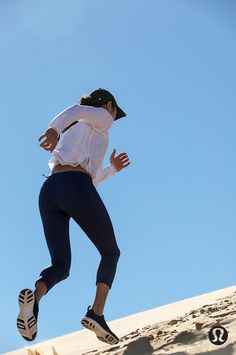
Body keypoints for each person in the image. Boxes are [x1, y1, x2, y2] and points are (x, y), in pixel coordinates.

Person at [16, 88, 130, 345]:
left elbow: (87, 178)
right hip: (75, 186)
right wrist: (54, 128)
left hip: (50, 190)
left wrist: (112, 168)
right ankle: (96, 314)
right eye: (114, 111)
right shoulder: (102, 116)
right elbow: (76, 110)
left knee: (61, 266)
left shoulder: (75, 131)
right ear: (109, 105)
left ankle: (34, 299)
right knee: (110, 252)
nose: (113, 117)